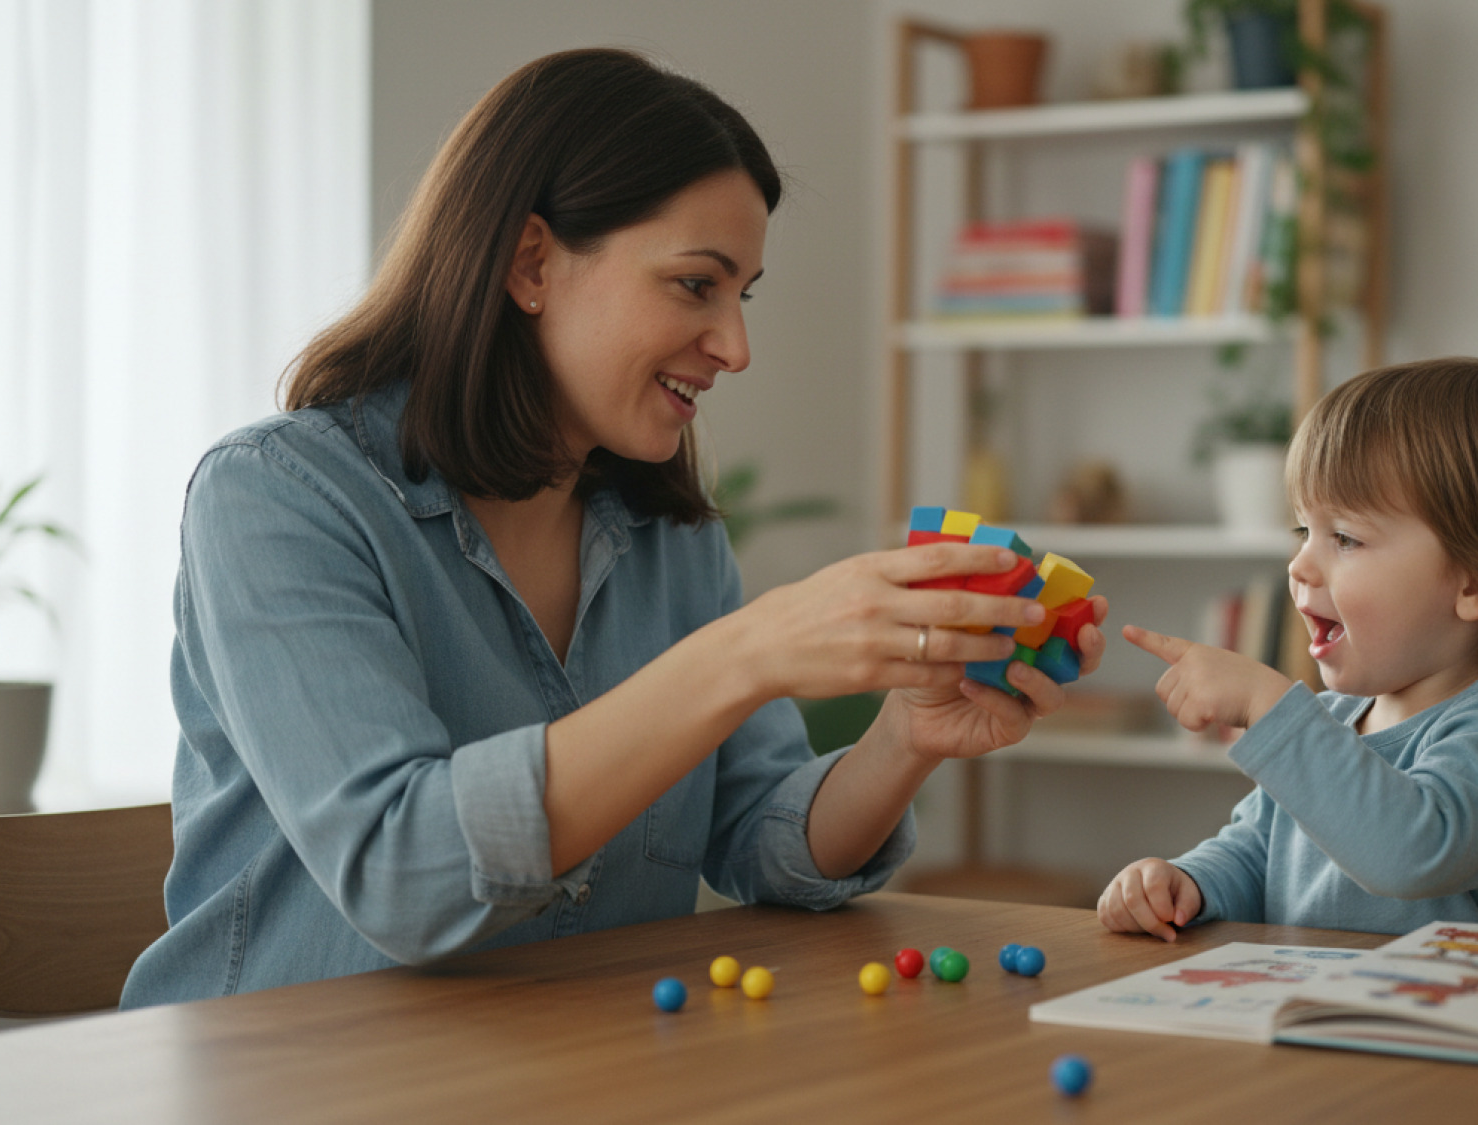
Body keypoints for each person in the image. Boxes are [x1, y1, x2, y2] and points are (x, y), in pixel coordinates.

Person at [122, 48, 1106, 1008]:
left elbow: (759, 840)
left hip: (568, 1071)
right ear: (530, 263)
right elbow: (401, 873)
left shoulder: (663, 533)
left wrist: (905, 739)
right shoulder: (276, 500)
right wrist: (746, 653)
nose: (735, 346)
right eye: (695, 284)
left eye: (742, 295)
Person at [1099, 358, 1478, 941]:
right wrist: (1186, 881)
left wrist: (1270, 706)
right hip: (1312, 1016)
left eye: (1345, 538)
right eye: (1304, 532)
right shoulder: (1327, 722)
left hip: (1459, 1028)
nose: (1299, 565)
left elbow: (1408, 851)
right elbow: (1254, 854)